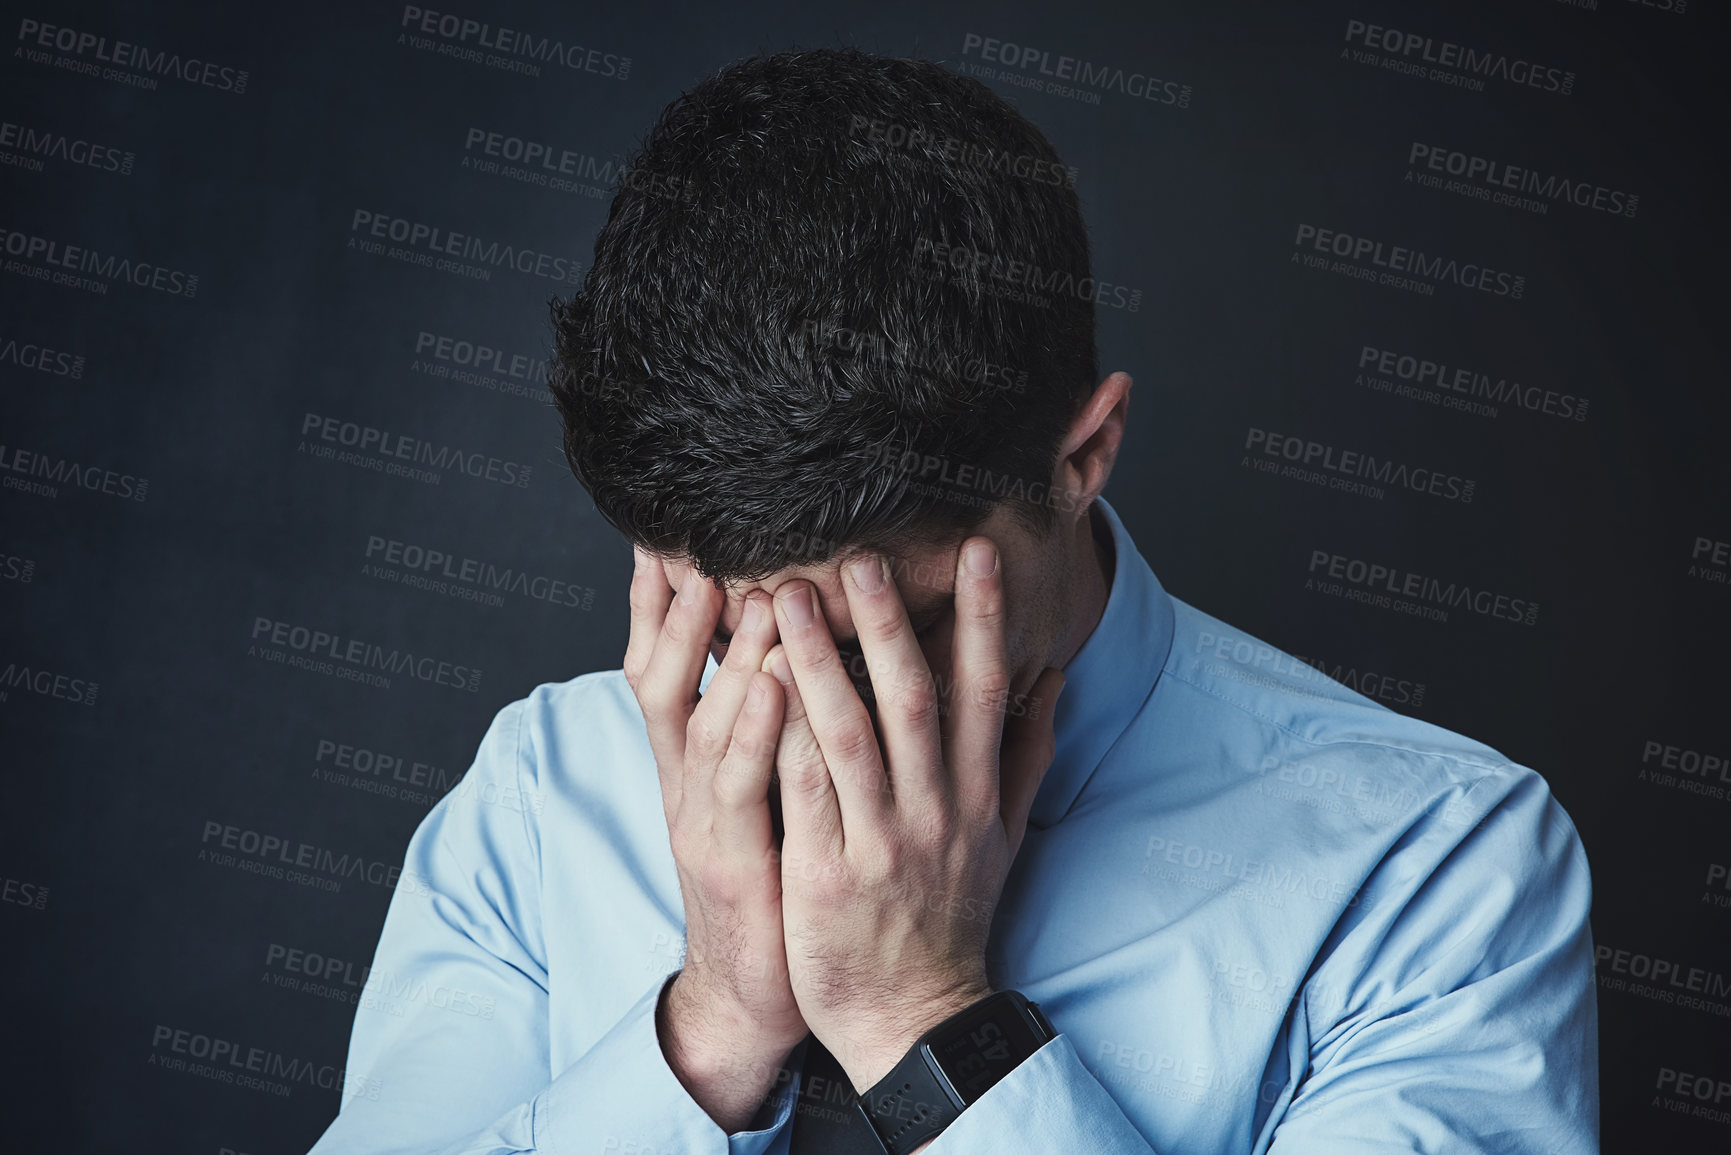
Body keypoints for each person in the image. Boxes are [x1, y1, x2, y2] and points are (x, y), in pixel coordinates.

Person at [308, 47, 1598, 1155]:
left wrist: (923, 1021)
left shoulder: (1430, 865)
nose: (808, 713)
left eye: (891, 626)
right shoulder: (542, 797)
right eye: (731, 625)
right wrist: (703, 1036)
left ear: (1082, 458)